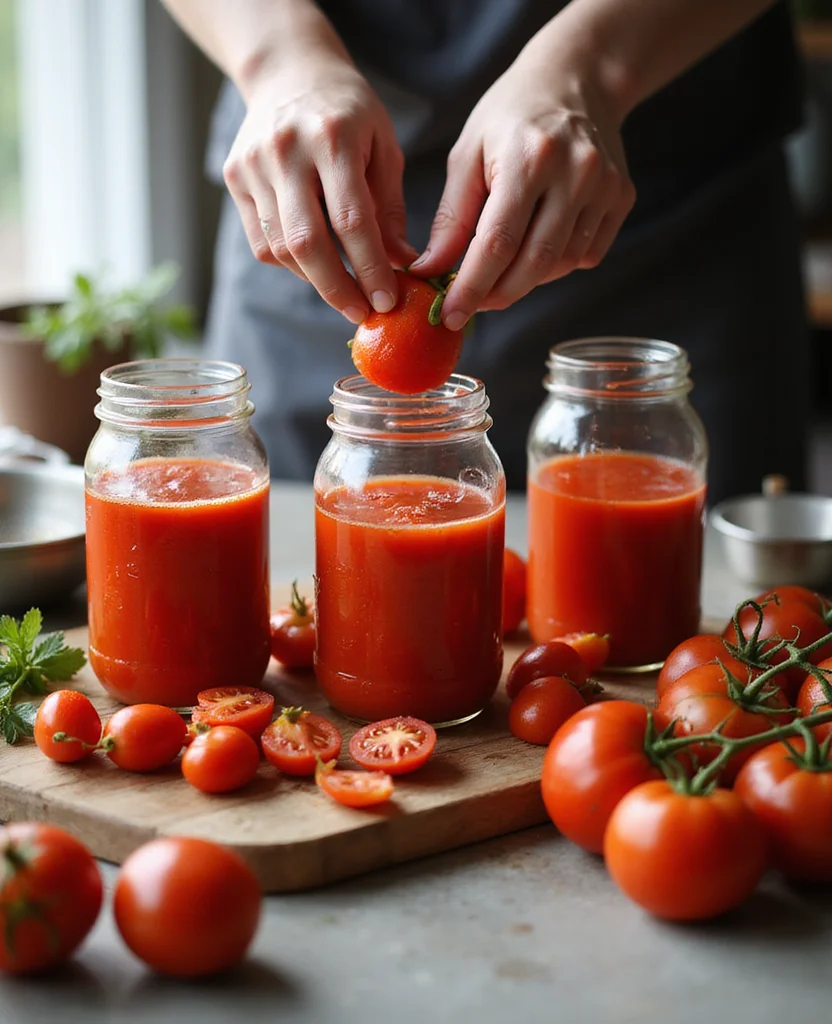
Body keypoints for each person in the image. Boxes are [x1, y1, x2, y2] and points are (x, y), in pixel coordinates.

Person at [162, 0, 809, 503]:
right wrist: (277, 60)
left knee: (718, 631)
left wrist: (594, 64)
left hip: (663, 211)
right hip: (313, 197)